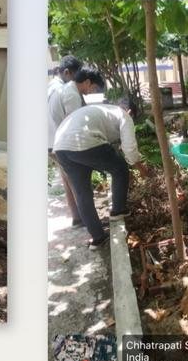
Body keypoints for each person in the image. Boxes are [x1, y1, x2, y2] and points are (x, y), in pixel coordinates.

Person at [53, 75, 149, 247]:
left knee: (82, 192)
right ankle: (118, 210)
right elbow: (129, 149)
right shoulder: (124, 115)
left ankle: (98, 238)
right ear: (129, 111)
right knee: (120, 168)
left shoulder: (103, 110)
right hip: (82, 141)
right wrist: (141, 168)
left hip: (60, 146)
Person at [46, 56, 91, 228]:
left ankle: (77, 217)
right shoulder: (64, 90)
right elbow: (74, 121)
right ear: (67, 72)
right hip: (60, 142)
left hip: (51, 142)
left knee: (68, 180)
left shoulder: (51, 86)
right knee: (76, 181)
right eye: (75, 76)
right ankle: (87, 219)